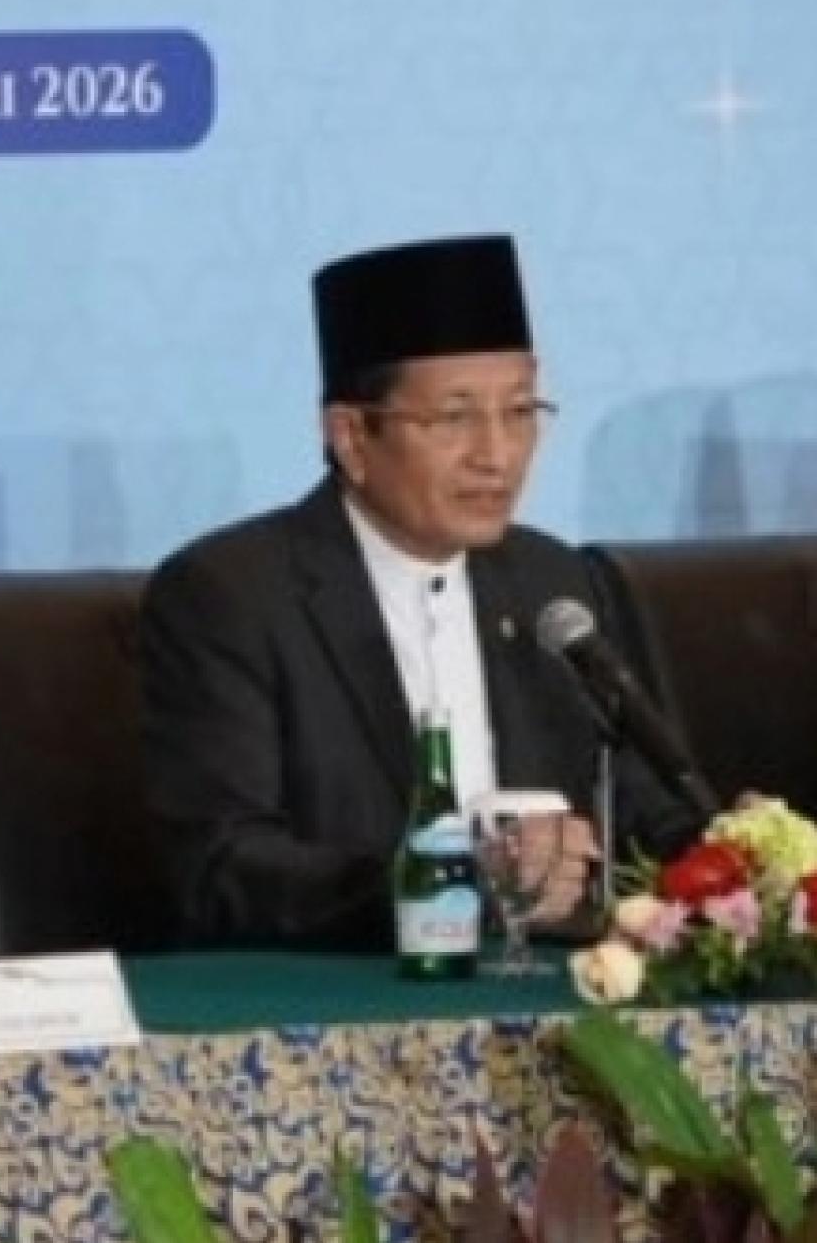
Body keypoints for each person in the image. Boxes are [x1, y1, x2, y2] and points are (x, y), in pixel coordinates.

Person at [140, 234, 708, 949]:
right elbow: (219, 867)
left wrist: (738, 859)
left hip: (549, 992)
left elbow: (647, 815)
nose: (496, 454)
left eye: (522, 411)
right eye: (454, 418)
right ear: (351, 435)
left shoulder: (551, 582)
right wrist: (449, 883)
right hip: (343, 1007)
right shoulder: (233, 595)